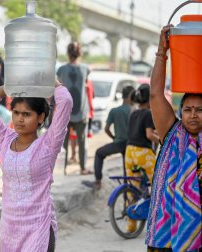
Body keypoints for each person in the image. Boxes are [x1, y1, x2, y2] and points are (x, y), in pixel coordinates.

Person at [0, 82, 72, 251]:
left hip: (38, 228)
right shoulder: (4, 138)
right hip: (9, 229)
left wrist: (51, 81)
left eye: (27, 114)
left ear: (41, 117)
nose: (20, 119)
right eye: (16, 113)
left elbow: (65, 102)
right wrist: (13, 83)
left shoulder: (48, 144)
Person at [146, 25, 202, 252]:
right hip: (167, 234)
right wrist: (162, 51)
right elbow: (155, 94)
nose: (193, 115)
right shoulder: (172, 133)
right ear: (180, 111)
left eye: (199, 109)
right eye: (188, 109)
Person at [82, 85, 135, 190]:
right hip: (130, 144)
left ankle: (98, 181)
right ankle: (129, 192)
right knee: (127, 170)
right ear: (130, 96)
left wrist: (115, 137)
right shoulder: (133, 111)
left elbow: (106, 129)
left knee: (99, 153)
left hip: (118, 143)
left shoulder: (114, 111)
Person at [125, 84, 159, 233]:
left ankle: (131, 225)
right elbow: (149, 135)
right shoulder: (148, 113)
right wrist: (162, 139)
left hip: (129, 152)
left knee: (133, 188)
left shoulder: (134, 113)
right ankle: (159, 221)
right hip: (143, 153)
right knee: (159, 182)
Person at [57, 41, 92, 174]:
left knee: (63, 142)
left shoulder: (61, 69)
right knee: (82, 141)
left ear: (67, 53)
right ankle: (83, 168)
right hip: (81, 110)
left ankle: (63, 169)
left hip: (65, 110)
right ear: (80, 53)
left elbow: (59, 87)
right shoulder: (85, 69)